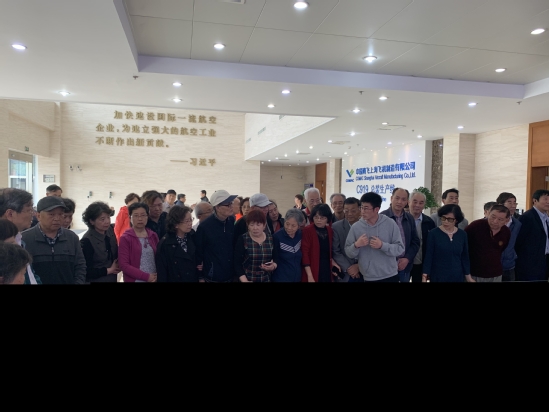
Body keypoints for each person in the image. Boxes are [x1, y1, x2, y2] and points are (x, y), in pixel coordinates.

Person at [21, 195, 86, 284]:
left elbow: (80, 266)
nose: (57, 218)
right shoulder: (25, 239)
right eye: (51, 214)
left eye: (60, 214)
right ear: (38, 216)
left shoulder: (72, 238)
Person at [344, 192, 404, 282]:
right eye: (361, 207)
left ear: (376, 209)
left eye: (366, 208)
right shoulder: (356, 227)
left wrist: (382, 245)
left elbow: (400, 249)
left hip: (390, 274)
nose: (362, 211)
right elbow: (348, 252)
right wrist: (356, 245)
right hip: (369, 276)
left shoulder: (390, 223)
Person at [422, 204, 473, 283]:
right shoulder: (433, 233)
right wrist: (424, 277)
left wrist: (468, 277)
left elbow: (464, 257)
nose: (445, 222)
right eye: (443, 218)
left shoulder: (462, 234)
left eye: (450, 219)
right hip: (438, 275)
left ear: (456, 220)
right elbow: (429, 256)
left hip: (457, 275)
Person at [195, 189, 237, 282]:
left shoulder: (231, 220)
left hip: (230, 273)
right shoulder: (204, 226)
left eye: (231, 203)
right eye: (228, 205)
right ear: (217, 207)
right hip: (213, 275)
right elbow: (198, 253)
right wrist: (200, 277)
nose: (231, 207)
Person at [0, 188, 41, 284]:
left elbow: (30, 275)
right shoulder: (4, 245)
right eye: (29, 210)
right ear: (10, 214)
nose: (33, 214)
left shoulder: (20, 240)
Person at [380, 188, 420, 283]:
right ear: (391, 198)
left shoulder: (409, 218)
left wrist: (407, 258)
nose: (399, 202)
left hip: (404, 266)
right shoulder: (381, 217)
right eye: (397, 198)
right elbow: (379, 244)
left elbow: (415, 241)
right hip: (386, 267)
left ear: (407, 202)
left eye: (403, 199)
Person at [465, 204, 510, 282]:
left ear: (506, 221)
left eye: (500, 219)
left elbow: (501, 249)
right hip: (474, 273)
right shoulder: (475, 226)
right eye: (493, 217)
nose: (495, 221)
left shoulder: (506, 232)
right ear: (488, 214)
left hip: (496, 273)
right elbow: (463, 246)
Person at [156, 205, 201, 282]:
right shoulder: (165, 243)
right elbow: (162, 271)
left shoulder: (193, 235)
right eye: (186, 221)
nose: (190, 223)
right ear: (176, 224)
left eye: (191, 220)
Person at [118, 202, 158, 283]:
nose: (140, 219)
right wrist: (146, 277)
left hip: (154, 279)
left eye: (143, 215)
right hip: (135, 280)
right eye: (136, 216)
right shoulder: (125, 238)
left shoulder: (153, 235)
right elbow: (123, 265)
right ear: (130, 218)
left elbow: (159, 257)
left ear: (147, 217)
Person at [80, 201, 120, 283]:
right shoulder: (87, 241)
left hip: (112, 278)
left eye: (108, 217)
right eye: (102, 219)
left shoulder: (110, 230)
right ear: (91, 221)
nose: (107, 221)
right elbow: (87, 271)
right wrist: (109, 270)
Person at [234, 209, 278, 282]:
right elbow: (237, 263)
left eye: (258, 225)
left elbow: (276, 258)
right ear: (248, 225)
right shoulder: (243, 239)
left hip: (266, 279)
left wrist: (273, 266)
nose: (255, 228)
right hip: (247, 278)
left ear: (264, 225)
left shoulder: (271, 239)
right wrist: (244, 280)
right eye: (252, 225)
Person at [515, 189, 549, 282]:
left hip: (544, 260)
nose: (548, 202)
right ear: (535, 200)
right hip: (529, 263)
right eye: (545, 199)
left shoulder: (546, 217)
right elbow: (518, 241)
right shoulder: (527, 217)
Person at [301, 203, 340, 282]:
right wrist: (309, 276)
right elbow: (304, 254)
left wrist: (333, 263)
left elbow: (328, 252)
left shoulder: (330, 230)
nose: (318, 220)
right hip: (312, 268)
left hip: (326, 267)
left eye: (322, 218)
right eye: (316, 217)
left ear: (327, 218)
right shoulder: (307, 230)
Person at [332, 196, 363, 282]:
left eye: (353, 211)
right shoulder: (336, 227)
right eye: (346, 211)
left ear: (360, 210)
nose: (349, 214)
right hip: (346, 273)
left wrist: (359, 266)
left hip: (365, 270)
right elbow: (336, 251)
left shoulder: (366, 226)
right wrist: (349, 268)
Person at [408, 190, 436, 283]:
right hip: (404, 263)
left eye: (421, 203)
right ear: (409, 202)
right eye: (415, 201)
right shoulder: (402, 220)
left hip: (420, 263)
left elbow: (431, 246)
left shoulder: (429, 222)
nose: (417, 205)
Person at [272, 208, 305, 282]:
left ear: (299, 226)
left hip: (297, 278)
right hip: (281, 278)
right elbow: (274, 259)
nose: (289, 228)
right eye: (287, 224)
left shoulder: (300, 235)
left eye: (293, 225)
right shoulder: (277, 237)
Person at [496, 192, 522, 281]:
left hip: (510, 265)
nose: (513, 206)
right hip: (493, 264)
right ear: (500, 205)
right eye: (509, 202)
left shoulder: (517, 223)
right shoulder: (491, 222)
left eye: (515, 203)